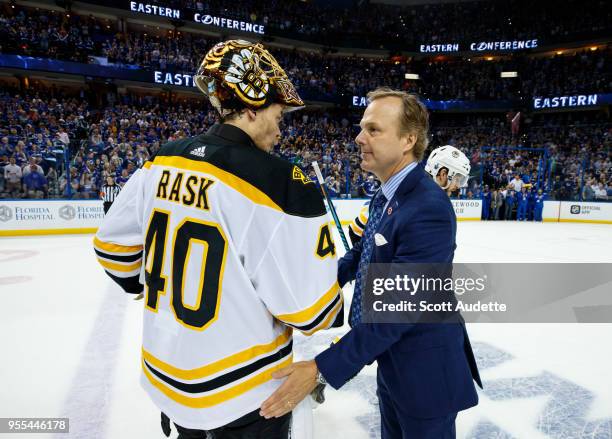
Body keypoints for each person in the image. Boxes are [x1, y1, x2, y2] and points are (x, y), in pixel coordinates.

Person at [94, 40, 342, 439]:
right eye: (278, 114)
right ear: (251, 106)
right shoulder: (280, 183)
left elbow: (112, 248)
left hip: (168, 383)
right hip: (246, 395)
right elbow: (312, 312)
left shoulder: (162, 160)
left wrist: (148, 280)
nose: (281, 128)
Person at [260, 88, 481, 438]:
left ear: (408, 140)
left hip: (426, 376)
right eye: (363, 127)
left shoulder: (429, 208)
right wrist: (309, 287)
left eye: (374, 129)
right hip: (393, 365)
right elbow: (359, 255)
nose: (359, 137)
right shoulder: (386, 194)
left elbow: (397, 311)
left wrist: (320, 369)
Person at [349, 144, 471, 244]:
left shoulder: (424, 194)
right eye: (458, 178)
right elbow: (357, 229)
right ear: (443, 174)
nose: (459, 185)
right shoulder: (409, 191)